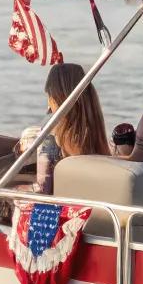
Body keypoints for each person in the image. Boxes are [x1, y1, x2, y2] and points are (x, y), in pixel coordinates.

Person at [33, 62, 111, 195]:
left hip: (61, 210)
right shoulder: (92, 132)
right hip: (91, 201)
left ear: (54, 97)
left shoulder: (51, 134)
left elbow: (43, 188)